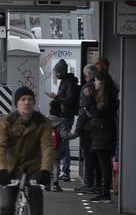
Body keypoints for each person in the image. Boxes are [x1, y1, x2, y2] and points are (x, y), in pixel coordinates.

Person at [0, 86, 55, 215]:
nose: (27, 103)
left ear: (34, 103)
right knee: (7, 206)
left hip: (34, 168)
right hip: (11, 169)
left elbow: (47, 147)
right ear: (16, 104)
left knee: (36, 190)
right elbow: (0, 147)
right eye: (23, 100)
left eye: (30, 99)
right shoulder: (7, 121)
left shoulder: (43, 122)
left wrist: (45, 170)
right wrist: (1, 170)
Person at [46, 59, 80, 184]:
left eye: (56, 72)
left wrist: (57, 97)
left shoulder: (68, 83)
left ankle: (65, 171)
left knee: (63, 143)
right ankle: (60, 171)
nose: (55, 75)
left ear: (62, 72)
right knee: (61, 142)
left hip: (66, 115)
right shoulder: (66, 81)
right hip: (64, 114)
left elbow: (69, 100)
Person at [86, 72, 119, 203]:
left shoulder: (107, 98)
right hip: (103, 133)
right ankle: (103, 193)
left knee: (104, 165)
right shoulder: (109, 96)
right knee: (102, 165)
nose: (94, 83)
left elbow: (95, 112)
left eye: (96, 81)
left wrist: (89, 98)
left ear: (102, 82)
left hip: (103, 134)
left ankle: (105, 194)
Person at [72, 64, 101, 194]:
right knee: (96, 157)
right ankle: (97, 184)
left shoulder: (87, 88)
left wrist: (77, 129)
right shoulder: (99, 88)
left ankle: (89, 184)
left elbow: (83, 110)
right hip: (97, 127)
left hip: (87, 128)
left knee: (88, 156)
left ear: (87, 75)